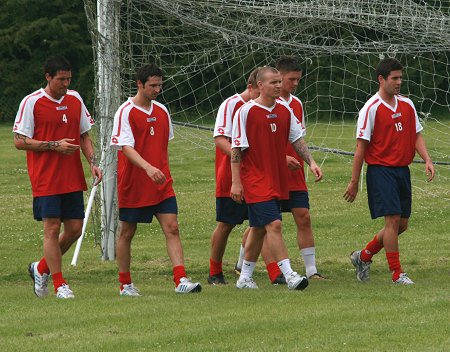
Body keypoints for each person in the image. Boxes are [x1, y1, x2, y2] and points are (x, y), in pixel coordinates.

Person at [13, 55, 102, 299]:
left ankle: (40, 268)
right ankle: (59, 284)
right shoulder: (32, 102)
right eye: (61, 79)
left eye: (68, 79)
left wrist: (93, 163)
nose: (66, 84)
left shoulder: (75, 99)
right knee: (52, 229)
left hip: (72, 177)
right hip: (46, 179)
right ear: (48, 78)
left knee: (74, 230)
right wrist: (53, 145)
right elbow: (19, 141)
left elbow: (84, 135)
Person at [110, 63, 201, 296]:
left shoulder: (162, 111)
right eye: (152, 85)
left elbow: (161, 145)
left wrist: (158, 170)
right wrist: (148, 168)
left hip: (162, 184)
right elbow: (126, 148)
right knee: (127, 232)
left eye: (160, 85)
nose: (157, 89)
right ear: (139, 84)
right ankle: (125, 284)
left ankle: (180, 279)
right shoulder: (126, 111)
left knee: (172, 227)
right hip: (135, 185)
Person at [344, 57, 435, 285]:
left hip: (402, 171)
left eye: (400, 78)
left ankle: (363, 256)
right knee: (392, 221)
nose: (399, 82)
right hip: (381, 171)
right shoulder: (370, 109)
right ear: (381, 79)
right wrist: (354, 182)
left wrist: (427, 159)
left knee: (401, 224)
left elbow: (416, 135)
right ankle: (397, 273)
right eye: (394, 78)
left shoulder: (407, 104)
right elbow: (360, 148)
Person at [230, 66, 322, 289]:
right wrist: (236, 182)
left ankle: (244, 277)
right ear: (260, 85)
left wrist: (311, 162)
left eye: (280, 82)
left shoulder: (284, 110)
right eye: (274, 82)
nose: (279, 86)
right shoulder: (246, 111)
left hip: (277, 179)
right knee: (275, 224)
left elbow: (297, 139)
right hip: (255, 179)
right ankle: (289, 274)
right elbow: (236, 150)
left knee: (259, 228)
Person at [209, 68, 284, 285]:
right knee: (226, 224)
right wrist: (243, 158)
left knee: (261, 223)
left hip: (259, 178)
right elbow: (220, 139)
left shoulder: (270, 107)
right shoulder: (232, 105)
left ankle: (273, 272)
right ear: (254, 87)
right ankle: (215, 271)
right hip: (232, 176)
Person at [275, 56, 326, 280]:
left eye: (298, 79)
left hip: (294, 174)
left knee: (303, 217)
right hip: (271, 173)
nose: (295, 83)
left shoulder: (296, 104)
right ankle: (242, 264)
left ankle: (311, 271)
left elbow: (298, 138)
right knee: (264, 223)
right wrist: (280, 157)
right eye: (291, 79)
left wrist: (311, 162)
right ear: (278, 76)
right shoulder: (262, 103)